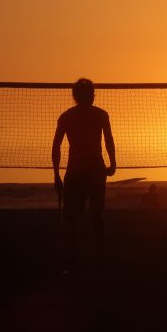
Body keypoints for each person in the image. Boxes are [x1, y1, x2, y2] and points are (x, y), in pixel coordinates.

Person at [52, 78, 116, 270]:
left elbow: (56, 146)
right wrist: (113, 163)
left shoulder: (66, 116)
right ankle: (98, 254)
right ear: (92, 95)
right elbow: (109, 141)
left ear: (75, 95)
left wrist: (56, 174)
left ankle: (74, 255)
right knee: (97, 214)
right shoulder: (101, 115)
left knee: (70, 216)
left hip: (76, 170)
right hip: (95, 169)